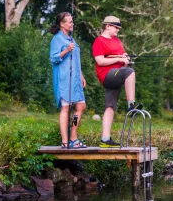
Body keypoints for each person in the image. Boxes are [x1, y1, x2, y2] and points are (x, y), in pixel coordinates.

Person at [92, 16, 143, 148]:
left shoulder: (117, 42)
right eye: (116, 27)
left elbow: (123, 56)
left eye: (118, 28)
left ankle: (105, 139)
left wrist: (125, 58)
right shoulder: (99, 41)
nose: (117, 30)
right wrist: (119, 60)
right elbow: (100, 61)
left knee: (110, 106)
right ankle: (131, 105)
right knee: (130, 72)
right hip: (106, 75)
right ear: (107, 26)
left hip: (117, 74)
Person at [50, 12, 87, 149]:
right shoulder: (57, 39)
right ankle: (65, 142)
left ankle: (73, 138)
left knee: (80, 106)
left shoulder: (72, 39)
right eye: (69, 22)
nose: (72, 24)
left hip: (76, 80)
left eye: (72, 21)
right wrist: (65, 50)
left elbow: (75, 60)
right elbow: (53, 58)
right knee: (65, 108)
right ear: (62, 24)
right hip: (64, 79)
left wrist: (81, 75)